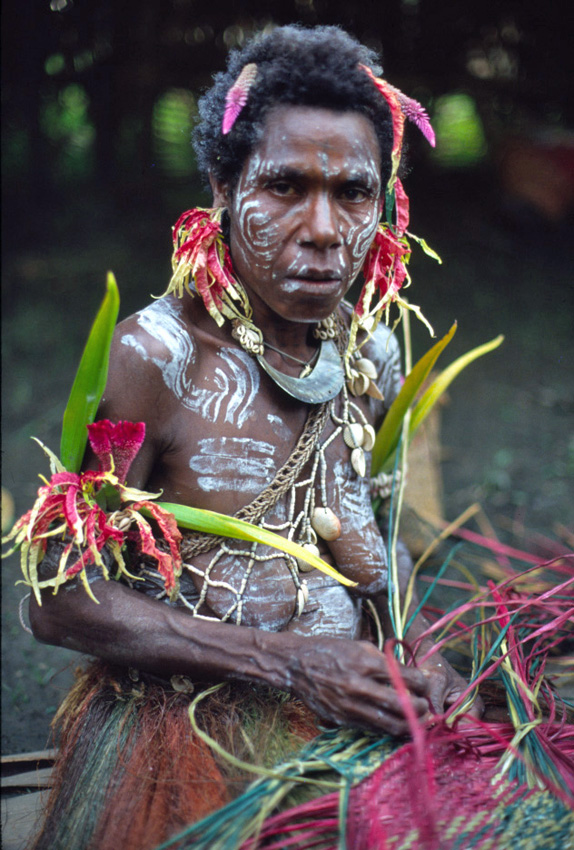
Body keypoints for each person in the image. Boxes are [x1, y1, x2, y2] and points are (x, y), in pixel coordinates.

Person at [27, 24, 481, 850]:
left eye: (353, 193)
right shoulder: (156, 360)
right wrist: (289, 663)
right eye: (284, 187)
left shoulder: (371, 352)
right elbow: (56, 598)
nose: (322, 228)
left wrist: (421, 658)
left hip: (348, 704)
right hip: (190, 731)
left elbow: (374, 550)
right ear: (223, 186)